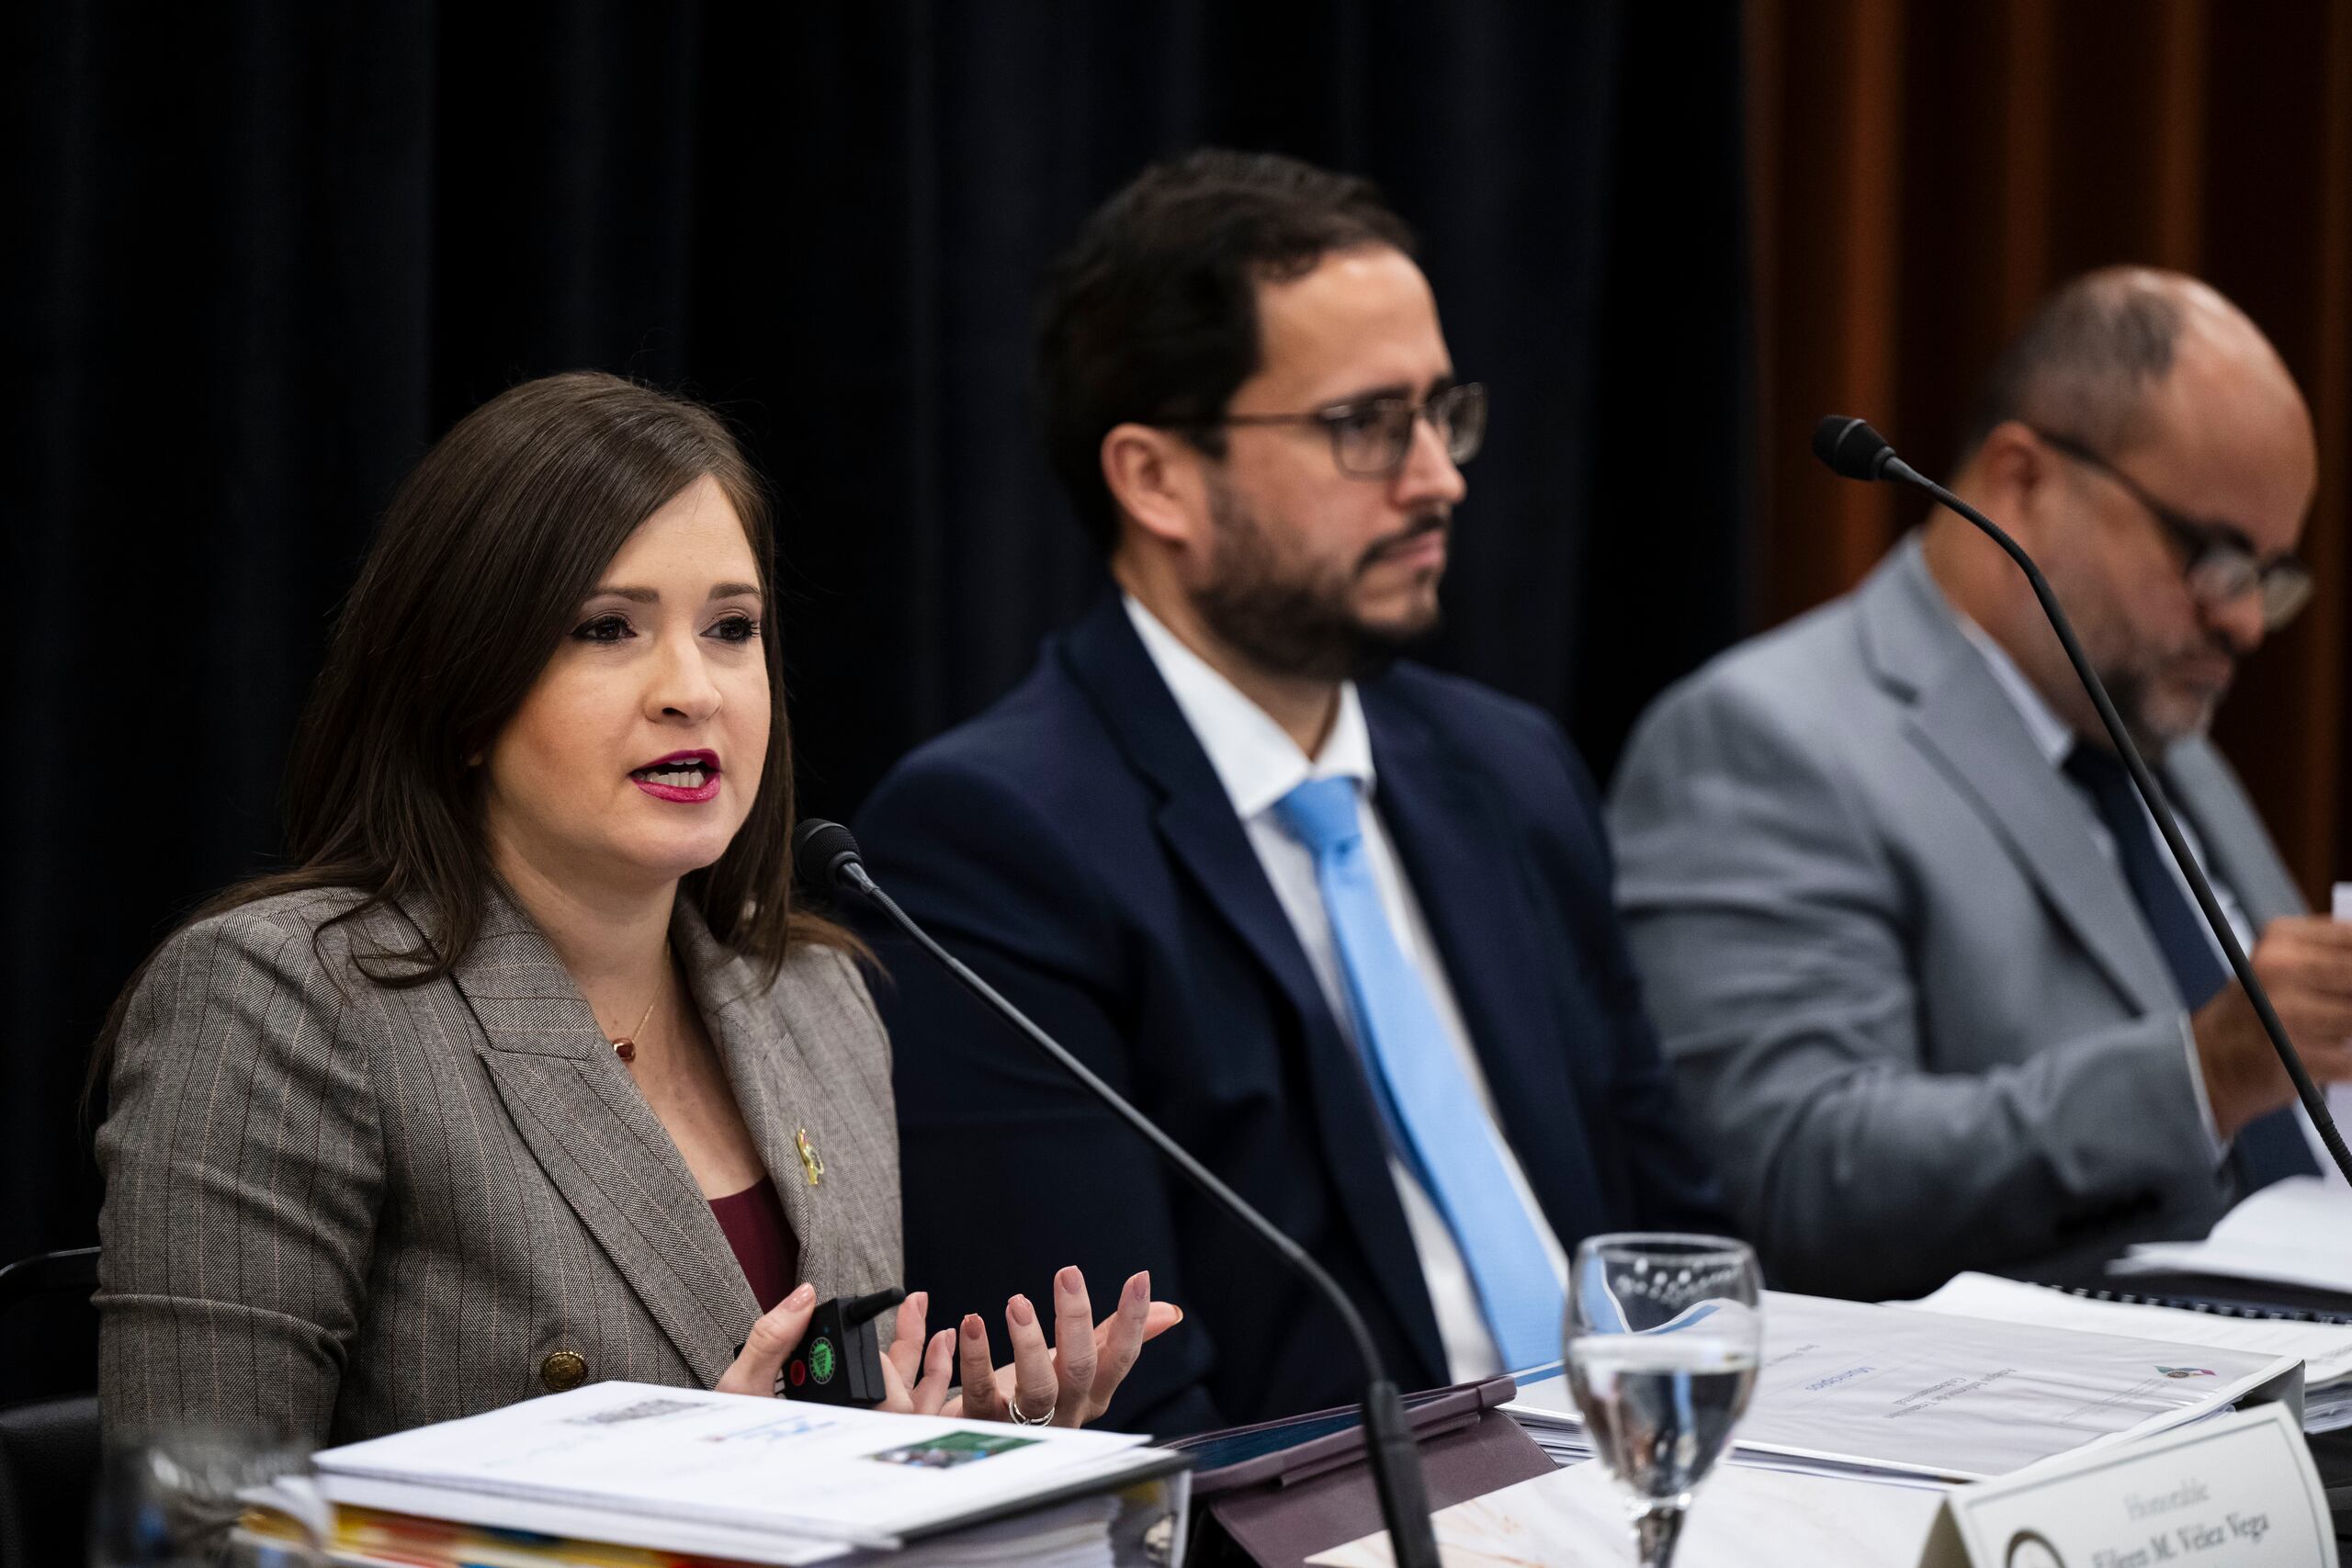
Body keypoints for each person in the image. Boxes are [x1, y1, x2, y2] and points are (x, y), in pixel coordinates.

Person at [95, 372, 1174, 1446]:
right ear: (463, 692)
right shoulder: (286, 1003)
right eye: (608, 629)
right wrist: (680, 1494)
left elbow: (822, 1461)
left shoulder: (814, 1000)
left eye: (731, 627)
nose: (691, 690)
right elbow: (196, 1518)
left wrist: (968, 1448)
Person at [850, 150, 1724, 1437]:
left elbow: (1679, 1245)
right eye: (1364, 424)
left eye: (1441, 412)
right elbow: (1133, 1409)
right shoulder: (990, 843)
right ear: (1156, 479)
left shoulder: (1510, 771)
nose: (1438, 477)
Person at [1609, 268, 2352, 1303]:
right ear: (2021, 482)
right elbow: (1794, 1176)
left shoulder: (2163, 737)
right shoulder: (1763, 737)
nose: (2243, 620)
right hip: (2055, 1382)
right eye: (2214, 554)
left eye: (2268, 575)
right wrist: (2202, 1074)